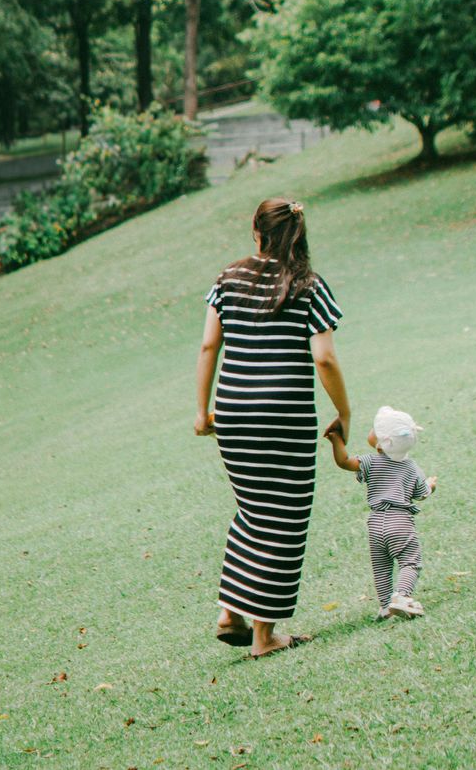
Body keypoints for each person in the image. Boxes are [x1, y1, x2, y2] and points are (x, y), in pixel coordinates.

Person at [196, 196, 350, 658]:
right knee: (284, 519)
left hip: (234, 414)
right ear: (298, 234)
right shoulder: (308, 284)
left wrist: (201, 412)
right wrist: (345, 411)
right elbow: (323, 357)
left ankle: (230, 610)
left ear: (256, 230)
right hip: (285, 416)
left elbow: (208, 347)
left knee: (251, 511)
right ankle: (264, 637)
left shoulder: (229, 277)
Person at [324, 403, 436, 619]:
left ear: (380, 442)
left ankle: (386, 605)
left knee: (381, 566)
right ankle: (402, 596)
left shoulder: (370, 462)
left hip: (376, 523)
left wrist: (336, 440)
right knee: (410, 561)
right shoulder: (411, 467)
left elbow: (344, 462)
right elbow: (422, 493)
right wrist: (431, 485)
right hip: (400, 521)